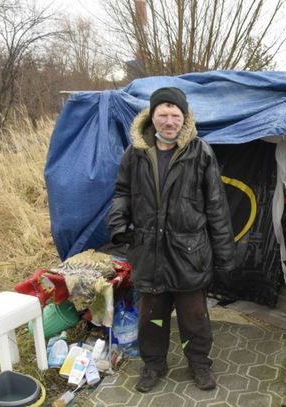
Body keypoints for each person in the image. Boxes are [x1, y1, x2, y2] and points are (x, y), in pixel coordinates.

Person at [107, 87, 235, 393]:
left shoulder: (200, 151)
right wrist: (117, 221)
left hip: (188, 252)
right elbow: (123, 193)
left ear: (184, 118)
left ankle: (199, 364)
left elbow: (216, 205)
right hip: (149, 251)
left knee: (194, 317)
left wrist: (225, 254)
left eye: (175, 115)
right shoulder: (135, 153)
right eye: (162, 114)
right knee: (152, 316)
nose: (169, 121)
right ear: (152, 116)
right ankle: (154, 365)